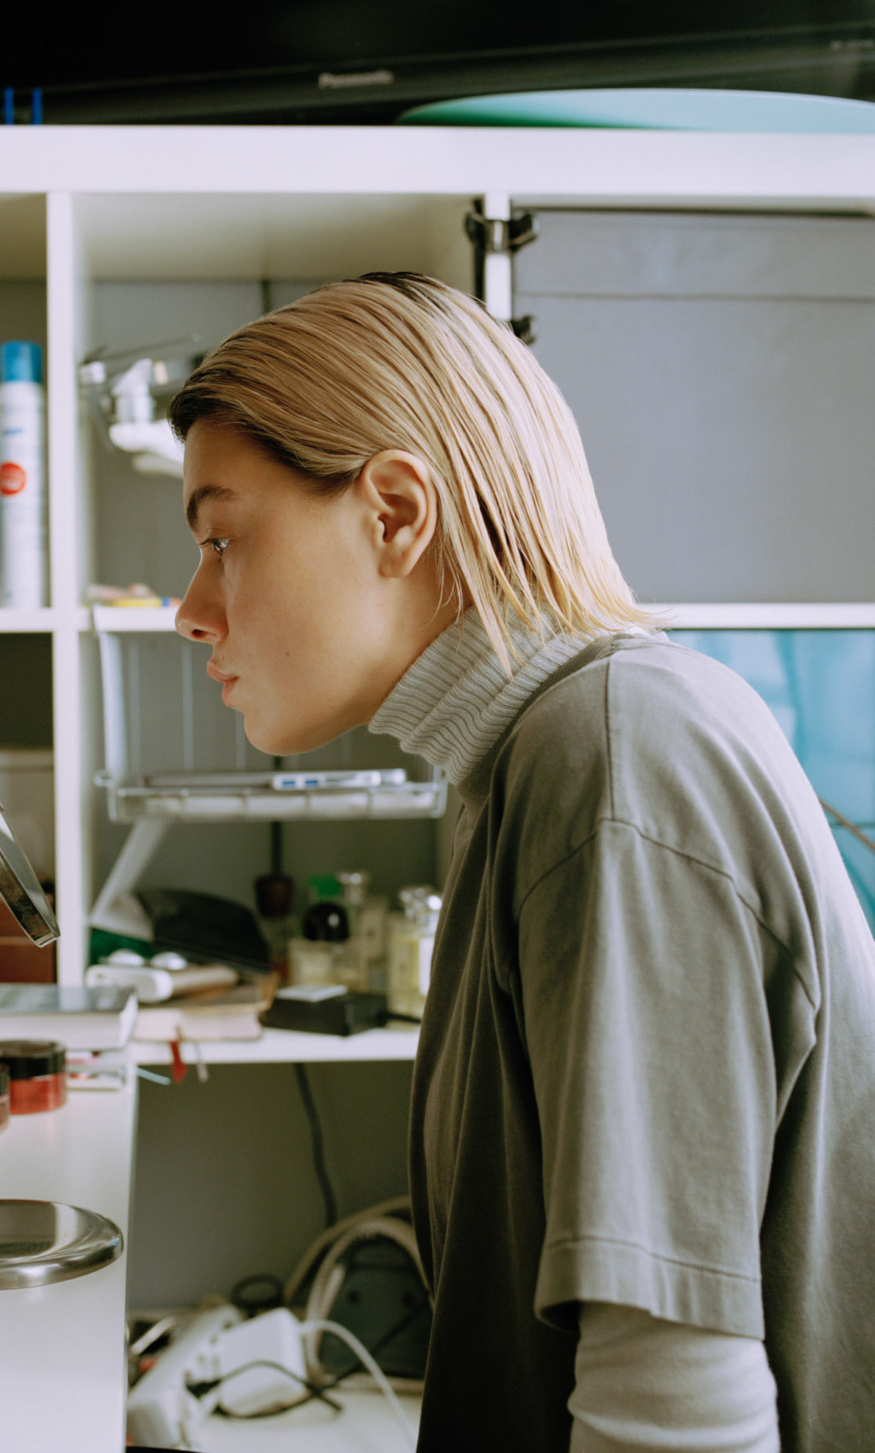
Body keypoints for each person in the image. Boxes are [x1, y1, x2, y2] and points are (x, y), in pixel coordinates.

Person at [169, 272, 875, 1452]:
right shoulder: (519, 765)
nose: (191, 609)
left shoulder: (614, 752)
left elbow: (674, 1414)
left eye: (222, 538)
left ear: (395, 514)